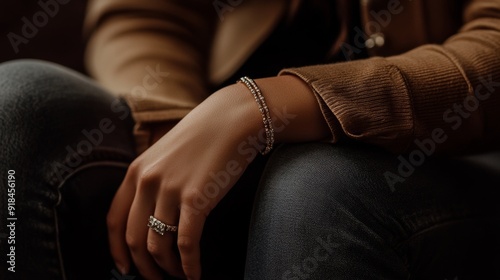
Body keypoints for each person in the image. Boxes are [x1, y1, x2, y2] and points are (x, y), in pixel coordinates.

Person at [1, 0, 500, 279]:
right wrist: (171, 125)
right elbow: (144, 14)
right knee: (19, 103)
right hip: (237, 132)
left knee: (315, 189)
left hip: (445, 159)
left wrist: (262, 105)